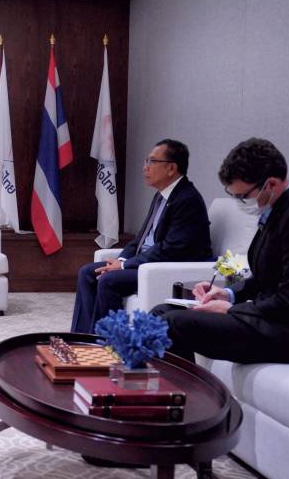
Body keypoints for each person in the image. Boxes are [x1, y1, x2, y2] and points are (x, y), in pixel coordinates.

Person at [154, 138, 289, 364]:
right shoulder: (277, 210)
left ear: (270, 184)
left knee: (173, 323)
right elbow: (266, 279)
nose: (239, 203)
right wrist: (228, 294)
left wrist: (230, 310)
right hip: (278, 319)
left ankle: (184, 388)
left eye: (242, 197)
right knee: (161, 313)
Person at [71, 139, 211, 333]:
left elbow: (171, 249)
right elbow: (141, 238)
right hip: (145, 262)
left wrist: (124, 265)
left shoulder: (187, 199)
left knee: (108, 280)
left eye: (152, 161)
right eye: (146, 161)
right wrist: (121, 260)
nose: (145, 167)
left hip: (164, 267)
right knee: (87, 272)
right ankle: (82, 338)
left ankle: (107, 341)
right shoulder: (161, 195)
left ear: (171, 168)